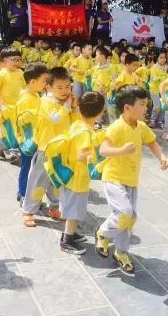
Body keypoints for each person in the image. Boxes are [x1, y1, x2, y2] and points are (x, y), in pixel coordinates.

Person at [95, 85, 168, 274]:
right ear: (127, 107)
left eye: (146, 104)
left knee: (130, 218)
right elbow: (103, 150)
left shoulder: (141, 127)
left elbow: (152, 142)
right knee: (124, 212)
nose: (146, 108)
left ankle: (121, 253)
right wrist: (121, 150)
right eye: (142, 104)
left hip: (131, 180)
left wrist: (161, 157)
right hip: (114, 177)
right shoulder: (116, 127)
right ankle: (103, 233)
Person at [22, 67, 76, 227]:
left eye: (68, 86)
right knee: (38, 180)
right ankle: (28, 211)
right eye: (59, 87)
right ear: (49, 87)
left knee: (56, 180)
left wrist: (73, 108)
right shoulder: (46, 101)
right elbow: (56, 119)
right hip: (46, 148)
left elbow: (72, 121)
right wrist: (67, 106)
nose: (65, 90)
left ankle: (54, 207)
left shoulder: (66, 102)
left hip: (62, 148)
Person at [60, 92, 105, 254]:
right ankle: (66, 240)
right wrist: (96, 155)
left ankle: (73, 233)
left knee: (72, 206)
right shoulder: (85, 132)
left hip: (70, 173)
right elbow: (81, 155)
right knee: (74, 211)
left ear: (79, 109)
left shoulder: (78, 125)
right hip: (78, 177)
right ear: (101, 112)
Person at [15, 63, 49, 202]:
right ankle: (24, 194)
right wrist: (37, 113)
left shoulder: (35, 95)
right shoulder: (25, 99)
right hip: (28, 140)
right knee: (27, 167)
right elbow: (21, 121)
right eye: (44, 80)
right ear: (33, 81)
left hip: (37, 137)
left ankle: (25, 192)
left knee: (32, 168)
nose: (46, 83)